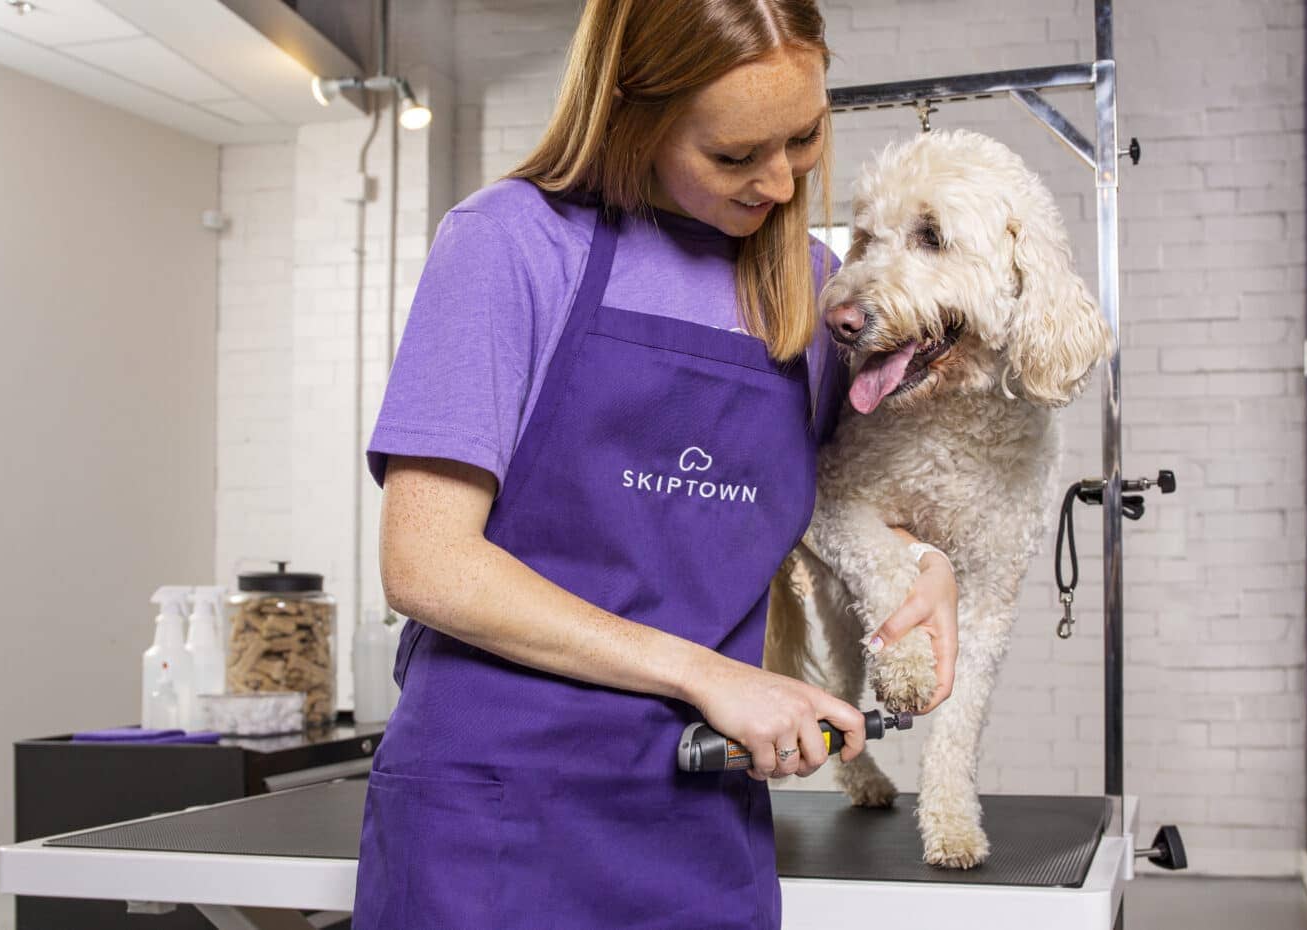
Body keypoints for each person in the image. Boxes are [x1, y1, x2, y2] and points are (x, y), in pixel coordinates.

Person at [352, 1, 959, 927]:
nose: (781, 183)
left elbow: (855, 498)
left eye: (803, 137)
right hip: (493, 813)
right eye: (733, 156)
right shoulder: (510, 243)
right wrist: (708, 676)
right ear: (632, 114)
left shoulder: (809, 280)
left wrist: (929, 565)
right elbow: (426, 562)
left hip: (702, 817)